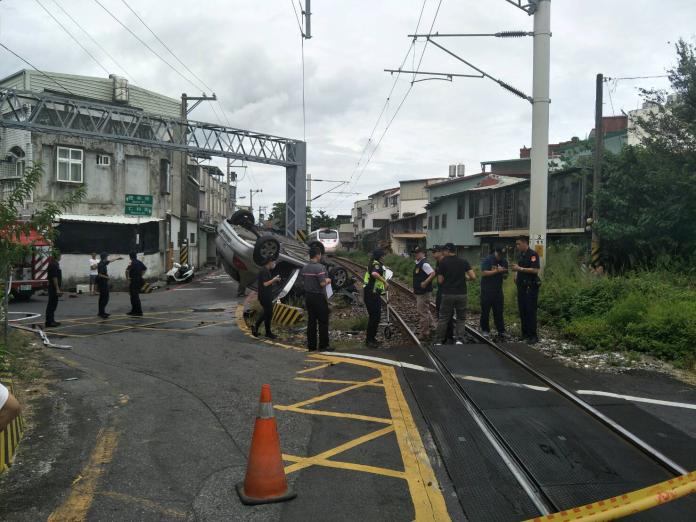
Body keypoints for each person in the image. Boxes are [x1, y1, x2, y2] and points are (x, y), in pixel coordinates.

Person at [435, 243, 476, 345]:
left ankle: (439, 340)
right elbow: (473, 276)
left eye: (444, 250)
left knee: (443, 318)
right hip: (461, 294)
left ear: (448, 251)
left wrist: (448, 278)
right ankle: (459, 339)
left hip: (448, 294)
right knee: (461, 318)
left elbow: (440, 281)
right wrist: (464, 278)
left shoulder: (443, 262)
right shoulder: (463, 261)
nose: (443, 252)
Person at [301, 246, 333, 352]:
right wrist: (328, 280)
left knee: (311, 322)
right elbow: (322, 283)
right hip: (318, 297)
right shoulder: (320, 268)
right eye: (320, 254)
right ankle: (323, 345)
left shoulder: (305, 267)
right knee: (323, 321)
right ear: (318, 255)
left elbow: (303, 281)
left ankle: (312, 346)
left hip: (308, 297)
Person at [511, 237, 541, 344]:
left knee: (530, 311)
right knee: (522, 310)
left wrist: (520, 269)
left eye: (518, 244)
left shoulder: (533, 255)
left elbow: (535, 269)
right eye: (516, 244)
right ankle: (525, 334)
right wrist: (516, 274)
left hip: (530, 287)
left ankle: (533, 336)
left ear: (525, 243)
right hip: (521, 286)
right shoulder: (521, 255)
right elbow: (519, 266)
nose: (517, 246)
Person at [480, 247, 509, 339]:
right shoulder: (488, 260)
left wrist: (504, 272)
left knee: (499, 311)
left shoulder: (504, 261)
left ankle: (501, 331)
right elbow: (484, 273)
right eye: (499, 255)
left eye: (502, 255)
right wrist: (496, 271)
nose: (500, 257)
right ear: (496, 252)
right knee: (485, 311)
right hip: (487, 290)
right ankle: (485, 330)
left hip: (498, 290)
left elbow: (505, 276)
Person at [363, 249, 388, 348]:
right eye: (383, 255)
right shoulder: (376, 264)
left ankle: (372, 339)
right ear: (379, 256)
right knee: (374, 317)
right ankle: (369, 340)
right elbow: (374, 274)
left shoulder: (375, 263)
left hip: (373, 294)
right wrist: (385, 282)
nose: (384, 257)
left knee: (376, 317)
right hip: (371, 294)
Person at [252, 258, 281, 339]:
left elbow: (267, 283)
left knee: (268, 314)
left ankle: (267, 332)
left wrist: (275, 279)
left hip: (266, 296)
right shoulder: (264, 271)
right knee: (268, 313)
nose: (274, 264)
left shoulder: (266, 270)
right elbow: (265, 284)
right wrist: (274, 279)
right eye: (274, 262)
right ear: (269, 262)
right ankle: (256, 326)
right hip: (264, 296)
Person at [431, 245, 454, 343]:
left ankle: (449, 336)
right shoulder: (438, 262)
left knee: (447, 314)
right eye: (433, 252)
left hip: (448, 291)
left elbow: (442, 278)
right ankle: (444, 335)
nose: (433, 254)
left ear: (441, 252)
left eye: (435, 252)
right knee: (440, 311)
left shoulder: (446, 262)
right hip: (441, 291)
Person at [412, 246, 436, 337]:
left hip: (424, 292)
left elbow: (433, 273)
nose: (416, 254)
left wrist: (425, 282)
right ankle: (433, 327)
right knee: (425, 310)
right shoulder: (419, 263)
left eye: (418, 253)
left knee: (422, 312)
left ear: (423, 253)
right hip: (420, 291)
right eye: (415, 253)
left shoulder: (424, 264)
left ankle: (425, 332)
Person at [96, 252, 122, 319]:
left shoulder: (103, 262)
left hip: (103, 283)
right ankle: (102, 313)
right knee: (105, 298)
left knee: (102, 298)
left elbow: (110, 261)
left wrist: (117, 258)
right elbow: (100, 274)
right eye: (106, 257)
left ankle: (101, 312)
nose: (107, 258)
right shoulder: (101, 264)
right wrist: (107, 277)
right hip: (102, 283)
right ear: (104, 257)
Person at [126, 252, 147, 316]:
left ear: (130, 257)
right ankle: (134, 311)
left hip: (133, 281)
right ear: (136, 256)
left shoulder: (131, 262)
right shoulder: (139, 262)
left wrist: (128, 279)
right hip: (139, 280)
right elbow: (144, 269)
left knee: (134, 297)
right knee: (135, 296)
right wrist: (141, 275)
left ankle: (138, 311)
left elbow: (127, 271)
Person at [44, 252, 62, 328]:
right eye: (60, 255)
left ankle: (52, 320)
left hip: (54, 287)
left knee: (54, 304)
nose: (61, 256)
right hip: (53, 288)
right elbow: (54, 277)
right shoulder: (53, 264)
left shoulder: (55, 264)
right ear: (57, 256)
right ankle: (49, 322)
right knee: (51, 305)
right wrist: (57, 289)